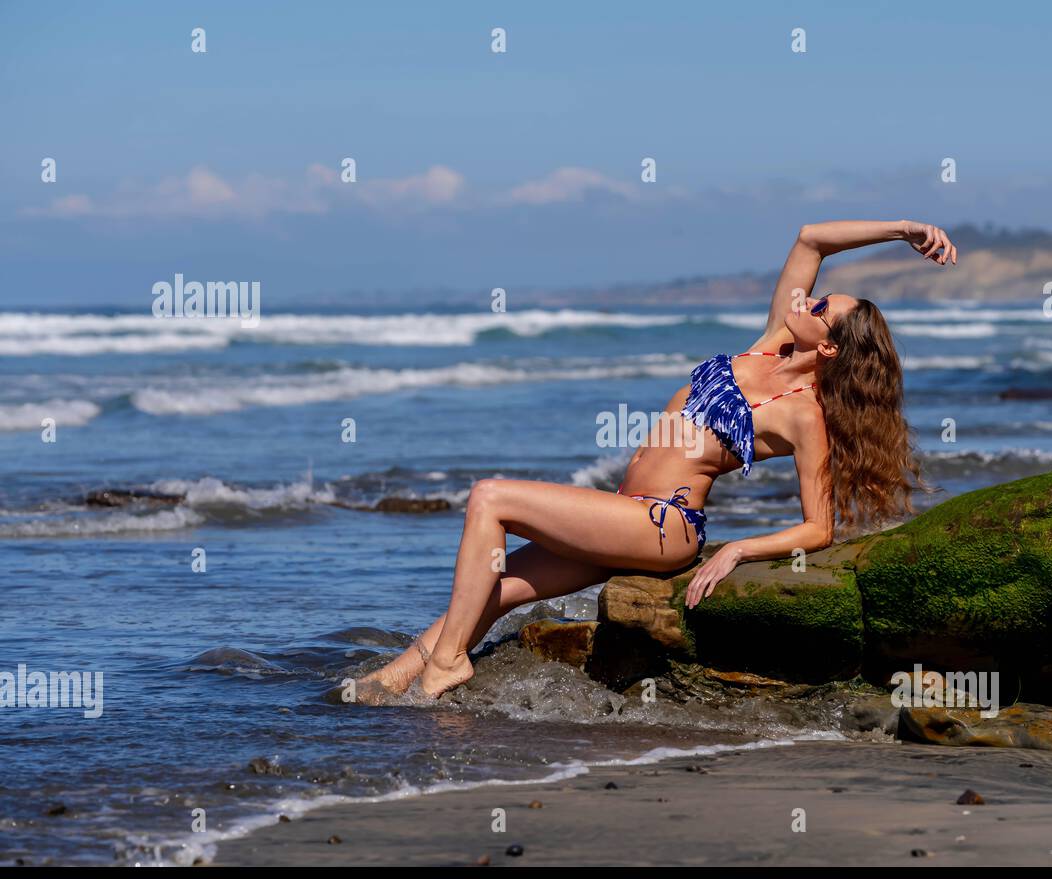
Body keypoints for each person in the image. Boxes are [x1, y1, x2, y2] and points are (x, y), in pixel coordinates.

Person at [355, 218, 956, 701]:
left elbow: (819, 527)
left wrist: (741, 548)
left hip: (663, 527)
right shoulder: (769, 342)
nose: (811, 299)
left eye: (823, 307)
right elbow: (810, 237)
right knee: (504, 583)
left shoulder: (804, 414)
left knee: (491, 497)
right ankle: (399, 677)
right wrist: (903, 229)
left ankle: (448, 665)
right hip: (626, 513)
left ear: (825, 346)